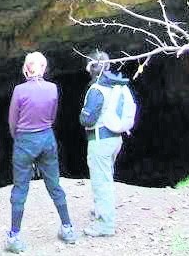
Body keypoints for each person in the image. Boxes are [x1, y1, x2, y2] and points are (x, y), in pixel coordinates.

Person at [5, 51, 77, 253]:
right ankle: (68, 228)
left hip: (25, 141)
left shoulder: (19, 90)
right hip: (47, 138)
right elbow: (52, 116)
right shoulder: (52, 88)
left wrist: (20, 139)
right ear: (43, 68)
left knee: (20, 189)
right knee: (54, 184)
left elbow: (13, 121)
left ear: (26, 68)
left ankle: (14, 237)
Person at [79, 50, 132, 237]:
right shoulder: (117, 85)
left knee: (102, 182)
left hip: (100, 140)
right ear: (108, 65)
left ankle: (105, 224)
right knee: (105, 176)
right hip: (115, 139)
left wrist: (82, 115)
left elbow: (87, 119)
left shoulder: (96, 90)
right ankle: (100, 209)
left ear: (90, 68)